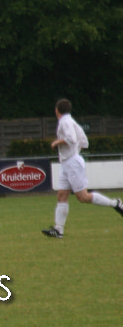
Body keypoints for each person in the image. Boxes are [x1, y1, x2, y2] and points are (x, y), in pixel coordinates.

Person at [42, 99, 123, 238]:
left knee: (83, 197)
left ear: (57, 110)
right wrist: (74, 150)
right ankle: (58, 230)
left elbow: (71, 139)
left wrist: (56, 143)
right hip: (67, 162)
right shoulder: (71, 121)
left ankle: (115, 203)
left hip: (72, 163)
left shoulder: (65, 122)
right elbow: (84, 142)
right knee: (61, 195)